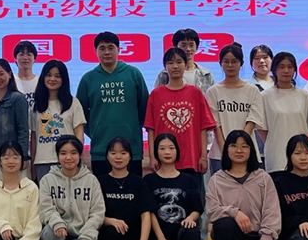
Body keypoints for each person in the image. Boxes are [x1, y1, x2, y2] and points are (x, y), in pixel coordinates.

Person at [206, 130, 284, 240]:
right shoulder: (217, 180)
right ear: (227, 149)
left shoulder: (263, 178)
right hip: (231, 235)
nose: (239, 150)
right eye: (234, 145)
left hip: (257, 236)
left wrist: (266, 239)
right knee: (225, 225)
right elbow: (212, 210)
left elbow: (272, 210)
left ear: (251, 150)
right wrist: (234, 213)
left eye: (244, 146)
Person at [77, 31, 148, 176]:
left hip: (131, 149)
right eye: (102, 48)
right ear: (96, 51)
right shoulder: (88, 79)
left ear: (119, 49)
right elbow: (80, 115)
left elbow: (144, 108)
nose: (107, 52)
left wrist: (132, 129)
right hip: (100, 149)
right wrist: (96, 131)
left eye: (111, 47)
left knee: (133, 189)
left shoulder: (133, 74)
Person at [38, 136, 105, 240]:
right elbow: (45, 208)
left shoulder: (91, 180)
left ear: (80, 155)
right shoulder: (47, 180)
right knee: (50, 231)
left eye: (73, 153)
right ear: (57, 155)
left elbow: (97, 213)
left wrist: (86, 237)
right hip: (56, 234)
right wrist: (57, 223)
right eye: (63, 153)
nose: (68, 157)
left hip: (80, 234)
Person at [144, 48, 215, 181]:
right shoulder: (156, 94)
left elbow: (203, 127)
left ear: (185, 64)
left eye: (179, 62)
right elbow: (151, 128)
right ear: (165, 67)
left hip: (191, 160)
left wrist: (203, 157)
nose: (175, 66)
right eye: (170, 62)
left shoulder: (195, 93)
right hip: (163, 161)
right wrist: (152, 157)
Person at [144, 133, 203, 240]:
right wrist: (161, 238)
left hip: (182, 232)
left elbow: (197, 208)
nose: (167, 152)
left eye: (171, 148)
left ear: (177, 150)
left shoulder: (188, 179)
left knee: (191, 231)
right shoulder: (149, 180)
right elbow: (149, 212)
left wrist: (190, 218)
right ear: (156, 151)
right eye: (162, 148)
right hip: (160, 234)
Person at [97, 137, 155, 240]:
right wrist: (111, 221)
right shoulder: (99, 182)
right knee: (112, 233)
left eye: (123, 153)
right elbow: (93, 214)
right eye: (113, 153)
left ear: (130, 156)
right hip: (109, 236)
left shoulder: (139, 182)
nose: (118, 157)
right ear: (107, 156)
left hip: (134, 237)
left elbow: (146, 215)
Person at [205, 43, 265, 173]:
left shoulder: (252, 90)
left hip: (247, 152)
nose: (230, 65)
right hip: (220, 154)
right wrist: (226, 149)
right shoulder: (213, 91)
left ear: (241, 63)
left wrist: (240, 147)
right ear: (220, 63)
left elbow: (252, 121)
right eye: (226, 61)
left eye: (234, 61)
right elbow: (215, 124)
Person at [31, 60, 86, 182]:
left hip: (67, 160)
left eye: (57, 76)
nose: (52, 79)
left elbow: (79, 134)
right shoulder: (37, 105)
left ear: (64, 79)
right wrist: (33, 163)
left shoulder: (73, 103)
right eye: (49, 75)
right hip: (43, 161)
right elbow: (34, 137)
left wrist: (77, 157)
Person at [259, 52, 308, 174]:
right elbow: (262, 129)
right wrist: (275, 142)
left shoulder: (304, 96)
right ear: (274, 70)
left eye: (290, 67)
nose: (286, 71)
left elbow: (307, 127)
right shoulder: (264, 96)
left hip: (302, 156)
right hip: (277, 156)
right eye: (281, 67)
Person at [0, 59, 30, 180]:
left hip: (11, 154)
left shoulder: (17, 99)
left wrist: (23, 156)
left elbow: (23, 130)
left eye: (1, 74)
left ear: (9, 74)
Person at [246, 44, 274, 163]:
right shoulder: (246, 86)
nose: (261, 61)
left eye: (265, 57)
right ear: (251, 63)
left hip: (279, 144)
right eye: (257, 58)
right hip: (255, 146)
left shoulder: (282, 84)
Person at [12, 40, 39, 110]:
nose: (25, 58)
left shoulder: (40, 81)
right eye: (21, 54)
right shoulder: (11, 82)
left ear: (34, 59)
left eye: (29, 54)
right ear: (15, 58)